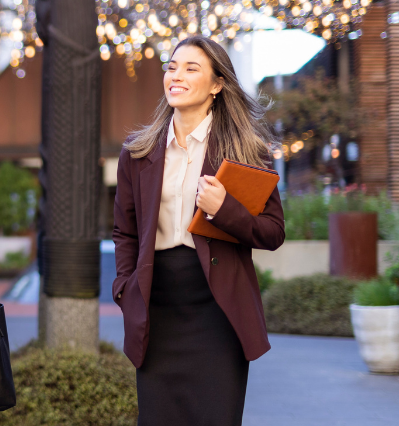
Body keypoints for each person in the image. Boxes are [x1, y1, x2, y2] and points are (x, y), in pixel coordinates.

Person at [112, 36, 286, 426]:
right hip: (156, 312)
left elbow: (273, 232)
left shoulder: (245, 149)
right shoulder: (138, 152)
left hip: (217, 313)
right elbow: (125, 232)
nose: (176, 75)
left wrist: (224, 210)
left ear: (216, 85)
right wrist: (125, 289)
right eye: (172, 67)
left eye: (191, 68)